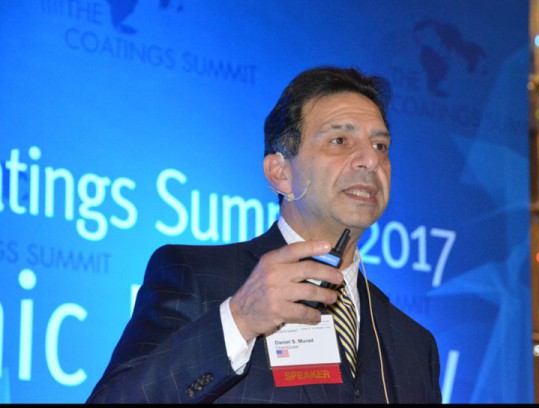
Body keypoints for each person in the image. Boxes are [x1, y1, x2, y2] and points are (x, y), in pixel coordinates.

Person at [86, 66, 442, 404]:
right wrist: (239, 320)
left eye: (380, 146)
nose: (370, 160)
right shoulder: (195, 277)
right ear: (280, 173)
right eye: (339, 140)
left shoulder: (414, 343)